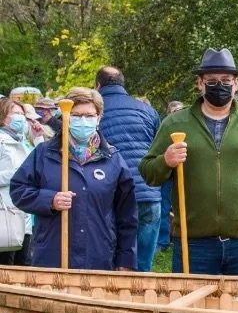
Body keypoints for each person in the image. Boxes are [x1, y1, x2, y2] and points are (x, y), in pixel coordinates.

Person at [139, 47, 238, 276]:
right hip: (193, 244)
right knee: (191, 310)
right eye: (212, 80)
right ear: (200, 83)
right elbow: (148, 172)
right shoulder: (175, 123)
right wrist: (166, 160)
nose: (220, 86)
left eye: (226, 80)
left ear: (236, 83)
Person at [10, 87, 137, 270]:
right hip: (52, 256)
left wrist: (126, 261)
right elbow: (18, 189)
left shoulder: (113, 159)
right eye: (76, 116)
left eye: (89, 115)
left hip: (98, 257)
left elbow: (127, 215)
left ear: (99, 118)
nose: (83, 121)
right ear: (66, 117)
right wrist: (50, 200)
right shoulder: (45, 153)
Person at [95, 66, 162, 272]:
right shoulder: (147, 111)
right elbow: (158, 149)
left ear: (98, 85)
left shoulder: (95, 113)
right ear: (123, 84)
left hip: (113, 193)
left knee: (115, 259)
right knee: (142, 262)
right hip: (148, 191)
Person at [0, 98, 34, 264]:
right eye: (15, 113)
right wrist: (15, 175)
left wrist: (39, 138)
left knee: (24, 268)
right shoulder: (2, 141)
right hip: (5, 213)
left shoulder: (22, 142)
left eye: (22, 114)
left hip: (24, 215)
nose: (20, 117)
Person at [156, 101, 185, 254]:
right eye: (174, 111)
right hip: (168, 174)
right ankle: (163, 241)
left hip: (186, 174)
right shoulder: (165, 128)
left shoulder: (190, 126)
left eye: (180, 110)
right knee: (165, 206)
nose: (177, 114)